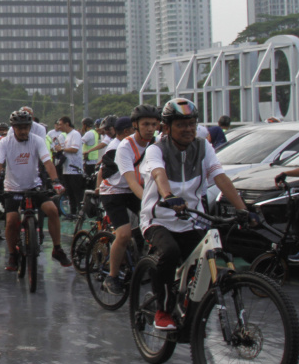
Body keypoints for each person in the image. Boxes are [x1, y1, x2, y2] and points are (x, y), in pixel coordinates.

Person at [138, 98, 249, 330]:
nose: (188, 129)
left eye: (192, 123)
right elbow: (159, 174)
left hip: (192, 218)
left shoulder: (203, 146)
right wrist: (168, 196)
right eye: (181, 124)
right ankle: (162, 309)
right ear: (167, 128)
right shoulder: (155, 149)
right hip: (159, 218)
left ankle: (191, 303)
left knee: (206, 259)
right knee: (170, 252)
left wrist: (243, 209)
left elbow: (219, 176)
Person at [0, 110, 72, 271]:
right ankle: (12, 254)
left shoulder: (37, 140)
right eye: (20, 128)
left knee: (52, 210)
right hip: (12, 188)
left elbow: (47, 162)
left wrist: (56, 182)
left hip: (34, 186)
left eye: (27, 127)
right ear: (13, 128)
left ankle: (57, 248)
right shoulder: (5, 143)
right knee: (12, 221)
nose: (24, 131)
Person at [99, 109, 157, 295]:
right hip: (114, 191)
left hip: (136, 190)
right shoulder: (124, 146)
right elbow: (131, 181)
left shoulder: (156, 144)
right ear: (135, 126)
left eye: (154, 125)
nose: (150, 129)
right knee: (123, 234)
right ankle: (112, 276)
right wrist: (150, 201)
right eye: (145, 124)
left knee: (156, 224)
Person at [53, 117, 85, 218]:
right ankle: (73, 212)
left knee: (77, 192)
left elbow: (75, 149)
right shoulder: (67, 136)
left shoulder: (75, 134)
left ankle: (81, 212)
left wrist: (62, 149)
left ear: (67, 124)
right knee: (70, 192)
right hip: (67, 169)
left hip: (75, 169)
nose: (59, 127)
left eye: (60, 124)